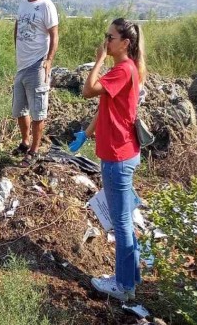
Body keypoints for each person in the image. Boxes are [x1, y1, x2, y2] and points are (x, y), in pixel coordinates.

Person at [82, 18, 146, 301]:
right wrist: (86, 133)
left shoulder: (122, 69)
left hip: (118, 156)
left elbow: (88, 90)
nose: (105, 42)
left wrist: (97, 60)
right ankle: (130, 279)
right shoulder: (125, 69)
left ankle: (122, 287)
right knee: (124, 222)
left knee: (121, 224)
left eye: (110, 37)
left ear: (125, 43)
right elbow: (105, 106)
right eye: (105, 37)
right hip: (121, 153)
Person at [12, 0, 59, 166]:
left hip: (37, 64)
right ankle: (24, 142)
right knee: (19, 110)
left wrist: (48, 61)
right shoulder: (23, 3)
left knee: (37, 111)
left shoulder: (46, 6)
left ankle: (34, 150)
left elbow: (54, 35)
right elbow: (17, 26)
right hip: (21, 66)